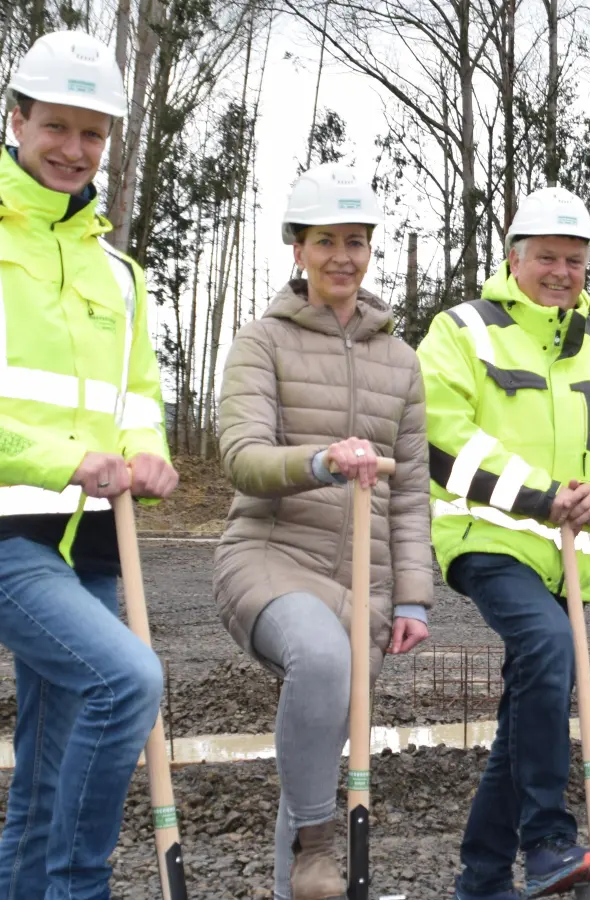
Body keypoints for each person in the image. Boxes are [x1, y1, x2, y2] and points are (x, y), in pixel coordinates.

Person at [420, 187, 590, 899]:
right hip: (486, 536)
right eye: (548, 258)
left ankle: (482, 877)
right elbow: (442, 436)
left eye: (575, 260)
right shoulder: (463, 331)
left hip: (567, 556)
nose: (562, 272)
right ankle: (550, 839)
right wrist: (540, 494)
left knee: (526, 712)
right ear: (514, 259)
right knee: (550, 651)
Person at [212, 165, 433, 900]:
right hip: (269, 558)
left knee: (314, 753)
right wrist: (321, 461)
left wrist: (412, 600)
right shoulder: (261, 341)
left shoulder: (401, 362)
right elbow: (242, 461)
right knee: (321, 655)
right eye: (327, 240)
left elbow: (410, 498)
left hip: (362, 582)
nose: (344, 256)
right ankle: (319, 842)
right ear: (298, 248)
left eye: (357, 241)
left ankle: (300, 875)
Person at [0, 31, 180, 900]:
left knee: (48, 768)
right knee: (127, 679)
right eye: (57, 127)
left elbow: (138, 393)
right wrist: (68, 461)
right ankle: (80, 889)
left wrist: (151, 457)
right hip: (7, 535)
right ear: (16, 118)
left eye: (94, 133)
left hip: (94, 541)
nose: (75, 150)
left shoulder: (122, 274)